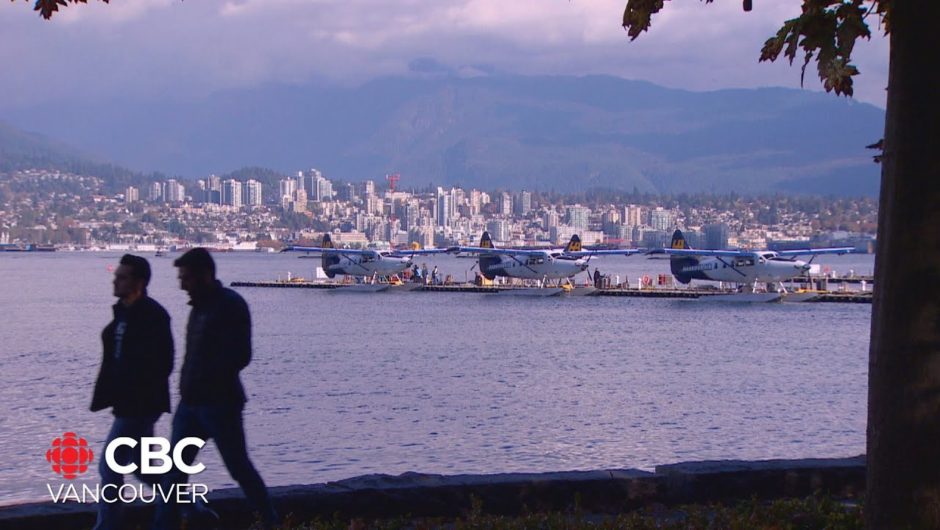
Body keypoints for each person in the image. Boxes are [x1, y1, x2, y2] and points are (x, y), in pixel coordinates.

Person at [154, 248, 277, 529]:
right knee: (173, 473)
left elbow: (241, 354)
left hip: (220, 403)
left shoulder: (230, 305)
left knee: (237, 467)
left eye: (185, 277)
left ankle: (270, 520)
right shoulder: (198, 307)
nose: (181, 284)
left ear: (204, 275)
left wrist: (209, 380)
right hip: (191, 404)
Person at [91, 254, 174, 530]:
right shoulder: (122, 312)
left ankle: (106, 526)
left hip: (139, 405)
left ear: (138, 282)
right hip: (127, 404)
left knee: (109, 467)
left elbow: (165, 361)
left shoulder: (153, 315)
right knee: (144, 469)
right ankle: (193, 508)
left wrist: (140, 393)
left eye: (122, 276)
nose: (115, 280)